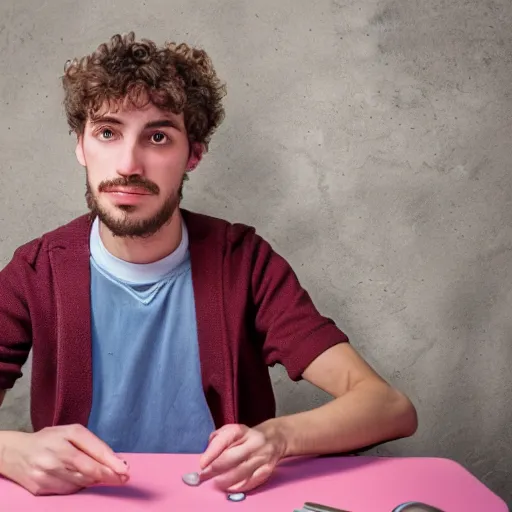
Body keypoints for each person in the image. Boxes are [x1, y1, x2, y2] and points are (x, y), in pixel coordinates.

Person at [0, 32, 417, 497]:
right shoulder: (37, 270)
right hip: (84, 504)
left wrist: (277, 438)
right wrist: (9, 450)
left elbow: (387, 406)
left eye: (157, 137)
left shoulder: (244, 262)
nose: (128, 164)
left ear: (192, 154)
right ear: (81, 146)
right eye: (107, 133)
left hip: (224, 502)